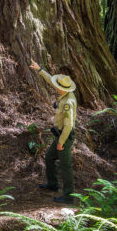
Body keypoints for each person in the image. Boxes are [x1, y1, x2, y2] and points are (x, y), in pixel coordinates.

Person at [29, 59, 77, 204]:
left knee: (65, 166)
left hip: (65, 136)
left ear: (63, 89)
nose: (55, 87)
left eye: (57, 86)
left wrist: (61, 143)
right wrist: (39, 69)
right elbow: (51, 80)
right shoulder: (64, 94)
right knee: (49, 157)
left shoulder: (68, 103)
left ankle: (69, 196)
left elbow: (68, 126)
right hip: (59, 134)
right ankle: (53, 184)